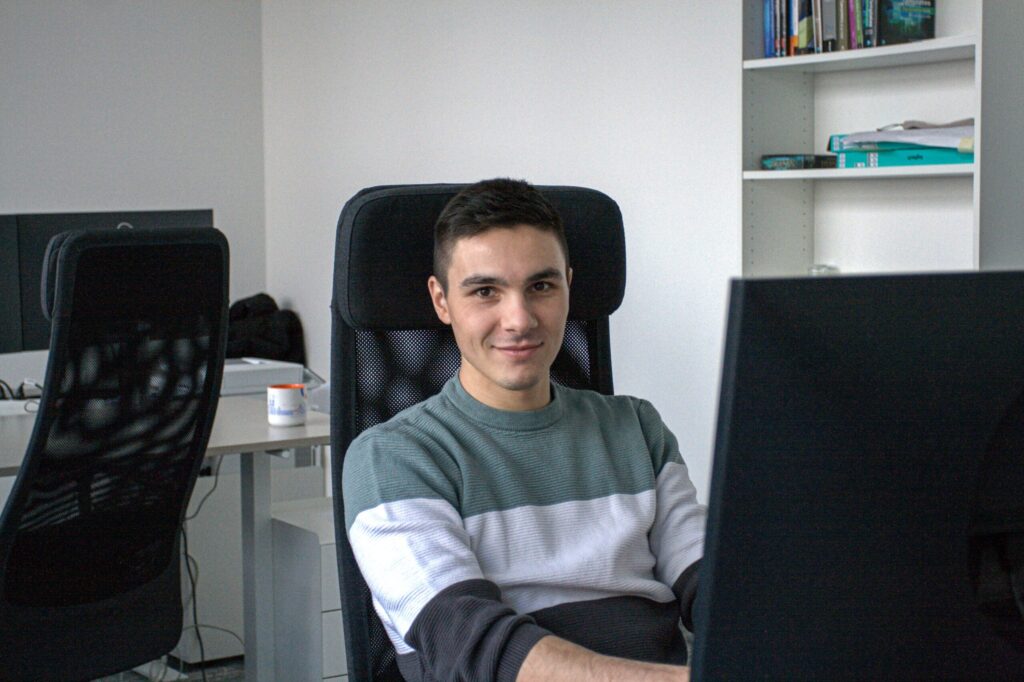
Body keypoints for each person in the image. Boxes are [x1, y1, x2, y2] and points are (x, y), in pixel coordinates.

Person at [343, 178, 706, 681]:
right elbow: (473, 649)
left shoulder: (636, 430)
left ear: (567, 287)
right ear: (441, 300)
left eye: (540, 286)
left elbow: (711, 584)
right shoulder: (393, 458)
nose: (518, 319)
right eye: (485, 291)